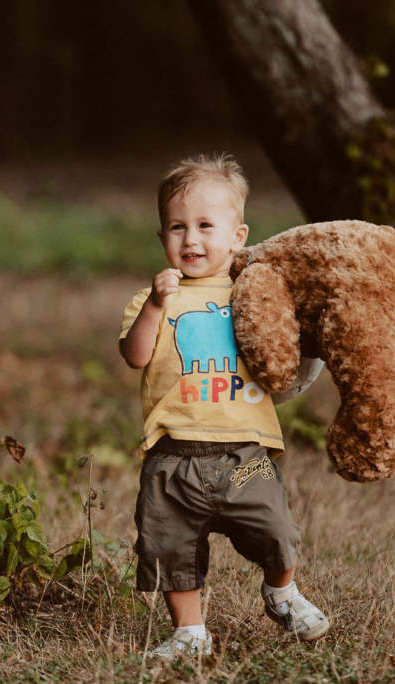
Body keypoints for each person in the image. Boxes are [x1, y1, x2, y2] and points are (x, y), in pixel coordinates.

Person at [119, 153, 329, 660]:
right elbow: (134, 355)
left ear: (238, 236)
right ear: (162, 238)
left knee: (276, 528)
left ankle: (282, 591)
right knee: (170, 543)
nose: (191, 240)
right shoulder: (153, 298)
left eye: (205, 226)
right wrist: (152, 305)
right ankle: (189, 632)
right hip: (173, 452)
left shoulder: (253, 294)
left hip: (244, 451)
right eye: (177, 227)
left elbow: (288, 346)